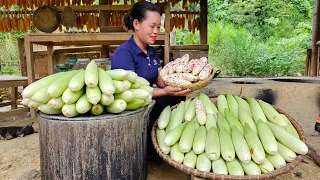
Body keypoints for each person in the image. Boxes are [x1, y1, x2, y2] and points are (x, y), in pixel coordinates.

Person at [111, 1, 191, 154]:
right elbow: (130, 92)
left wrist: (181, 80)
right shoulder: (124, 53)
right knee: (169, 97)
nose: (156, 31)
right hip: (132, 107)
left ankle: (165, 142)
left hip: (148, 101)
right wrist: (165, 92)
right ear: (136, 24)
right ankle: (148, 147)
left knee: (179, 98)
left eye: (158, 27)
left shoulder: (151, 51)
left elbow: (160, 80)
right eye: (151, 26)